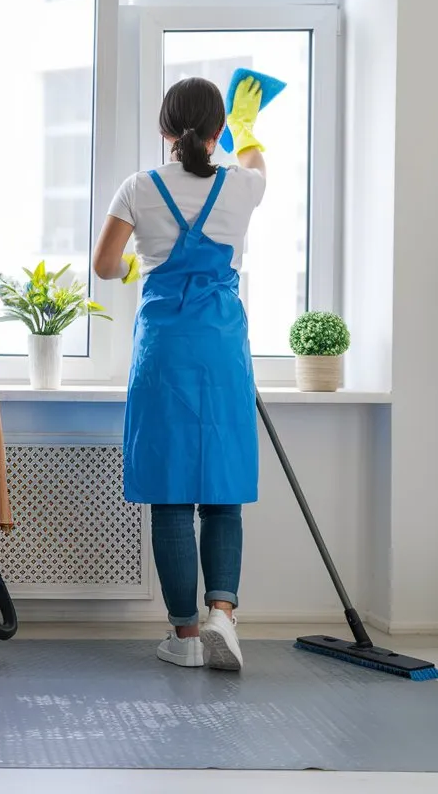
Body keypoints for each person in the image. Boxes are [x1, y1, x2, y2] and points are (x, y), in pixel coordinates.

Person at [92, 75, 269, 672]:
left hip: (164, 351)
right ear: (217, 130)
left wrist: (132, 274)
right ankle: (225, 614)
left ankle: (185, 637)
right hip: (221, 352)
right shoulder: (243, 187)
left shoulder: (138, 188)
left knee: (170, 495)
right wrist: (246, 130)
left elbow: (105, 264)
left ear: (163, 130)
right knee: (222, 490)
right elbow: (255, 163)